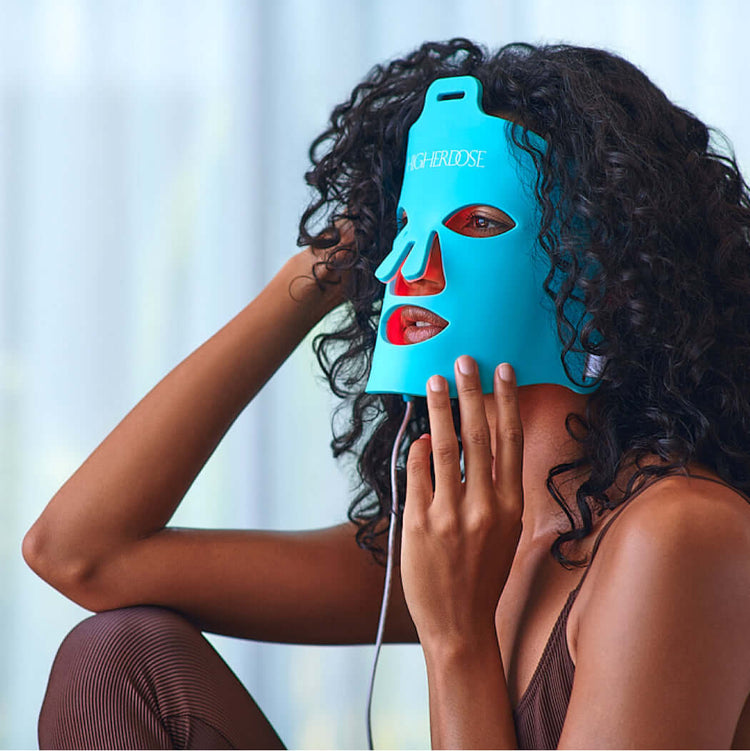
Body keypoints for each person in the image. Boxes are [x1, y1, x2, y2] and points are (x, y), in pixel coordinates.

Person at [24, 38, 750, 749]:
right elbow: (80, 552)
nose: (413, 264)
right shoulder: (462, 538)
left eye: (477, 223)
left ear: (609, 271)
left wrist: (456, 637)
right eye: (405, 227)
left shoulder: (680, 534)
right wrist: (322, 270)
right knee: (119, 657)